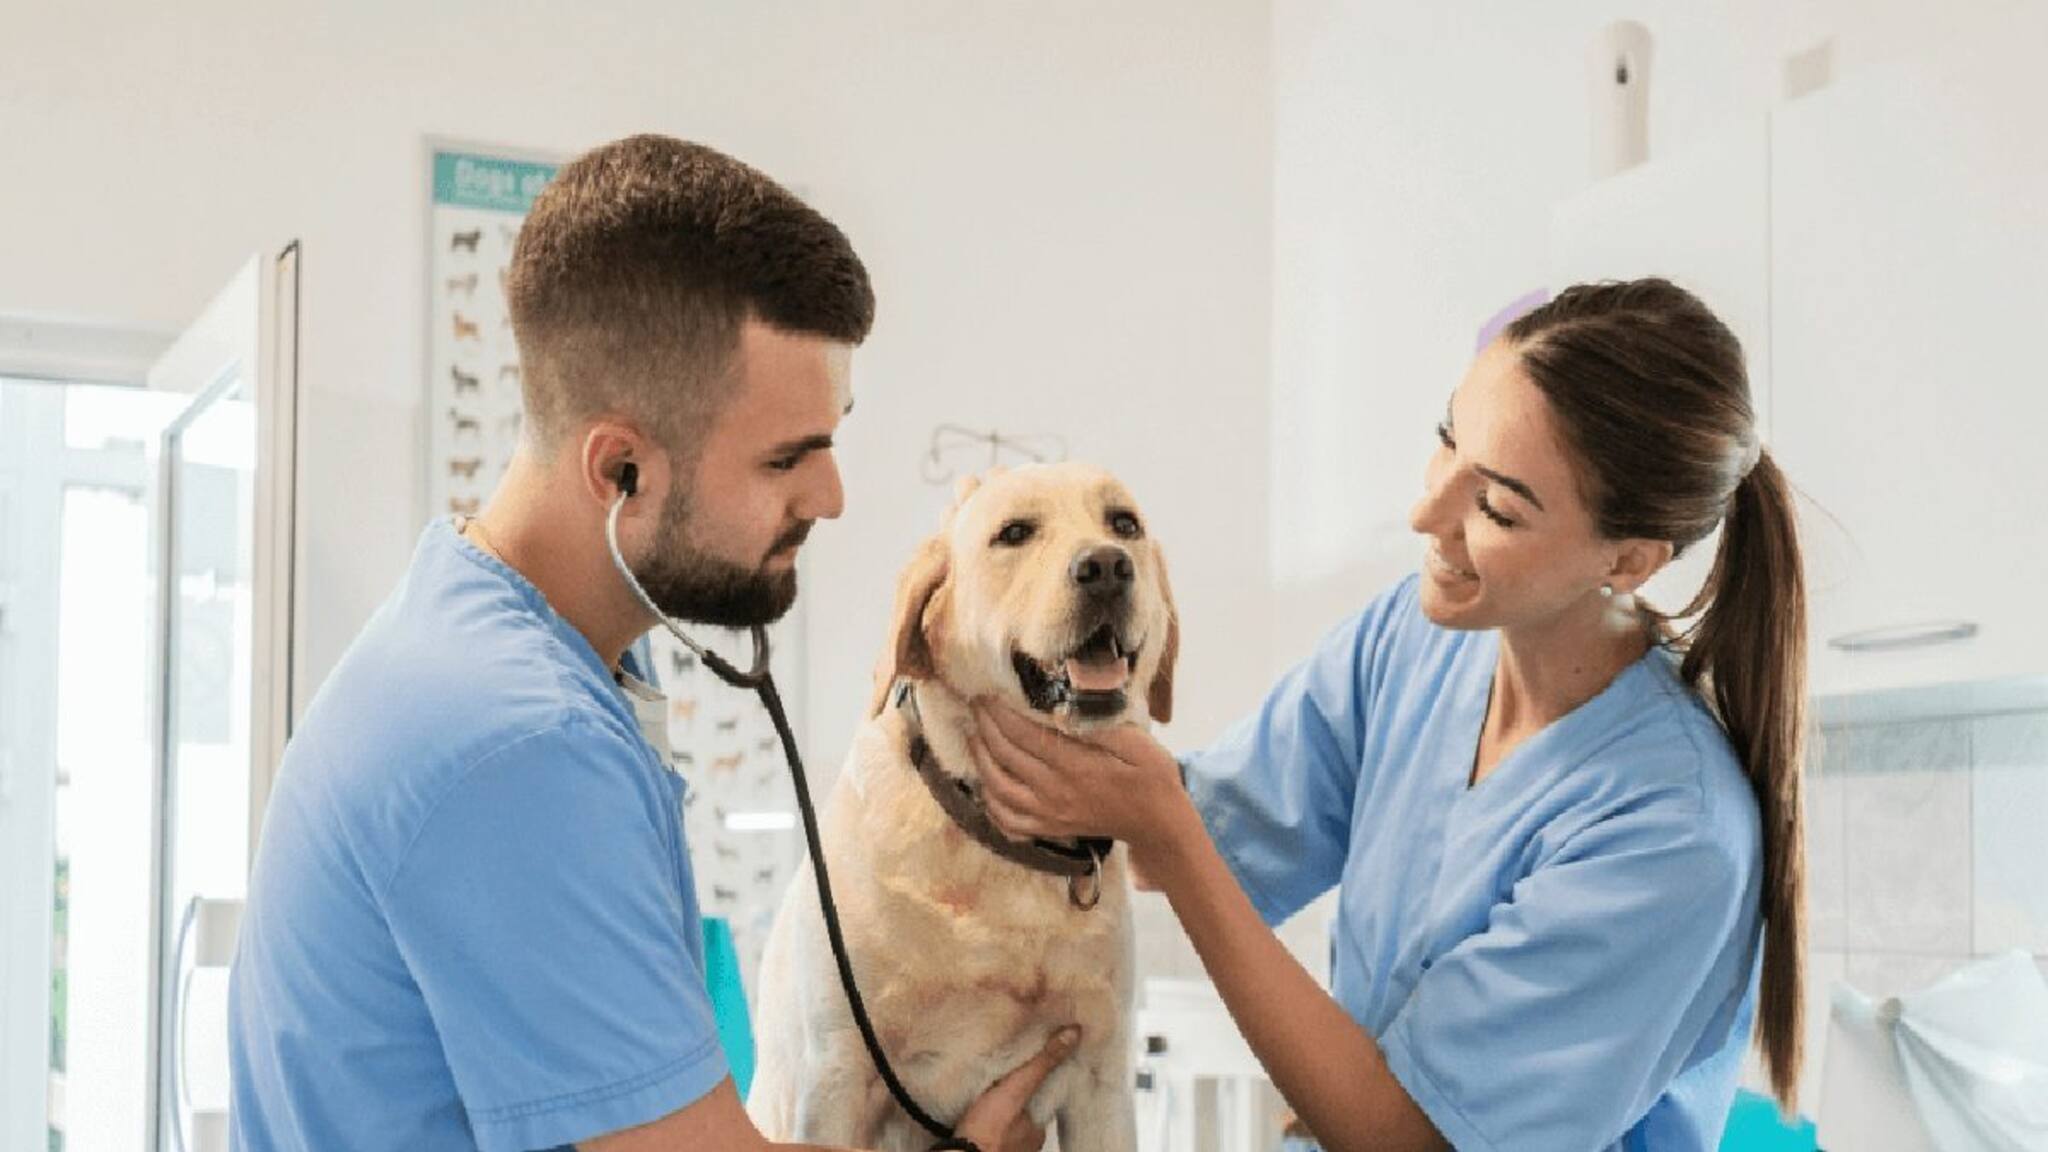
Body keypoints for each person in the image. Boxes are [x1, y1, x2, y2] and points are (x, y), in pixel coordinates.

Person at [229, 134, 1072, 1152]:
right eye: (785, 459)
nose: (832, 498)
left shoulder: (506, 642)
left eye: (832, 438)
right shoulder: (517, 744)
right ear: (619, 467)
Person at [973, 278, 1808, 1152]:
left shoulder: (1671, 828)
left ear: (1629, 560)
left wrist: (1168, 830)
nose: (1426, 514)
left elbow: (1410, 1140)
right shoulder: (1414, 641)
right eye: (1447, 438)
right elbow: (1185, 829)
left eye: (1495, 507)